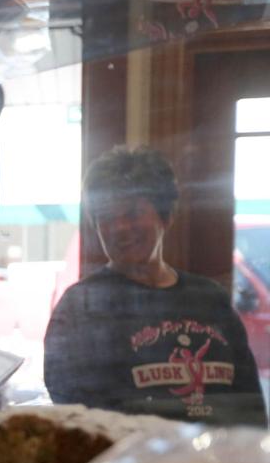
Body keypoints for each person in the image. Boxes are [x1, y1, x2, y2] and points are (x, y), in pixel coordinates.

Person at [44, 146, 266, 426]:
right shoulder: (81, 307)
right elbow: (78, 418)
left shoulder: (209, 299)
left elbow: (250, 409)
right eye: (107, 217)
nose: (120, 227)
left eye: (134, 213)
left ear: (166, 216)